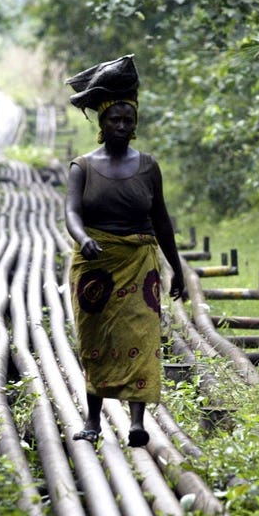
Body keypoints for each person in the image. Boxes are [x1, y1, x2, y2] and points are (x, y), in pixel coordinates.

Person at [62, 55, 186, 448]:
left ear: (135, 124)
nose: (121, 126)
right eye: (114, 120)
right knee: (95, 338)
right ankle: (93, 420)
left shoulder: (148, 167)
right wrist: (83, 239)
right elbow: (71, 213)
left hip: (139, 263)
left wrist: (177, 267)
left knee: (142, 334)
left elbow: (162, 220)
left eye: (127, 120)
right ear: (101, 123)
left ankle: (136, 422)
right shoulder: (82, 167)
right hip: (95, 264)